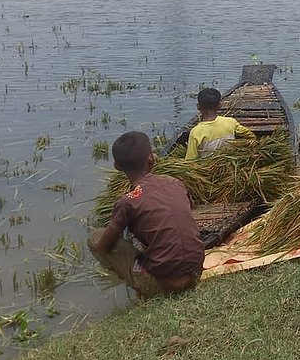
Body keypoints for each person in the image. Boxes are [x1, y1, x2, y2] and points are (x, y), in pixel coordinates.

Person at [88, 131, 204, 298]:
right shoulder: (175, 183)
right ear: (151, 158)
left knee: (95, 237)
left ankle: (142, 285)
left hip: (164, 285)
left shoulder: (128, 201)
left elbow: (103, 247)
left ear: (117, 166)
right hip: (195, 272)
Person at [186, 86, 256, 159]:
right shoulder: (230, 122)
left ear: (198, 106)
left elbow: (190, 160)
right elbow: (250, 136)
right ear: (219, 105)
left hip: (208, 165)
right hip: (229, 160)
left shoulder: (195, 132)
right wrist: (242, 144)